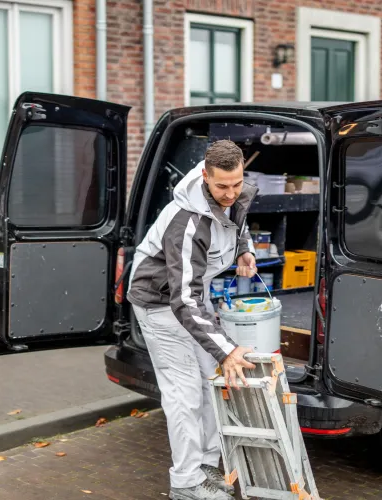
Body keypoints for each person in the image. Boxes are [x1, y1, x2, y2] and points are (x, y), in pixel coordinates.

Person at [127, 140, 258, 500]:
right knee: (184, 394)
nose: (231, 193)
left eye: (236, 183)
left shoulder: (234, 193)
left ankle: (204, 468)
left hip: (190, 297)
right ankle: (185, 484)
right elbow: (181, 299)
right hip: (158, 304)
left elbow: (235, 222)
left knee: (212, 383)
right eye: (222, 186)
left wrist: (244, 250)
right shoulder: (187, 222)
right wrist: (227, 350)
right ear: (205, 177)